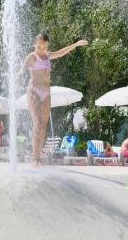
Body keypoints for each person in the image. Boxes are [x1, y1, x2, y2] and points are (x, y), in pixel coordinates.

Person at [21, 33, 88, 166]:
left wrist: (75, 45)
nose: (42, 49)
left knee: (43, 126)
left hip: (46, 93)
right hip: (34, 91)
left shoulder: (47, 55)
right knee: (38, 123)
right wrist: (19, 73)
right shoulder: (32, 57)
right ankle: (34, 159)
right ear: (35, 44)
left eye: (45, 46)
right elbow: (22, 68)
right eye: (39, 46)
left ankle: (38, 158)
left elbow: (61, 52)